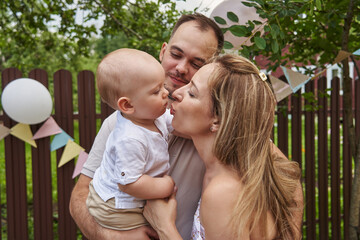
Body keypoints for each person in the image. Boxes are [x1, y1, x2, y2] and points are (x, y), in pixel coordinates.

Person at [69, 13, 224, 240]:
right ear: (163, 51)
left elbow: (288, 188)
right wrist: (114, 237)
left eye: (196, 63)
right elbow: (80, 195)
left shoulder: (221, 126)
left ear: (210, 70)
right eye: (176, 54)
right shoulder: (120, 123)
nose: (181, 68)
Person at [143, 54, 304, 240]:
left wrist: (165, 228)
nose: (176, 93)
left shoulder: (223, 193)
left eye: (192, 93)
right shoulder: (227, 171)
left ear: (219, 120)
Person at [86, 48, 177, 231]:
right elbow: (129, 183)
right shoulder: (129, 138)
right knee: (149, 231)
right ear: (127, 105)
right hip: (114, 206)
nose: (165, 93)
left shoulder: (153, 115)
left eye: (163, 86)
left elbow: (176, 124)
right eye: (156, 91)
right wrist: (165, 186)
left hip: (128, 198)